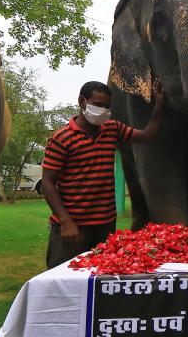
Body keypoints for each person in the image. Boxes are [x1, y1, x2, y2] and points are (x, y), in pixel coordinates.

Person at [42, 81, 164, 269]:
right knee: (63, 279)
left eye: (107, 107)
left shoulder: (112, 129)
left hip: (105, 227)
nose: (104, 111)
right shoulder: (62, 138)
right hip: (72, 228)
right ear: (82, 102)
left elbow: (147, 136)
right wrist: (66, 222)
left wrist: (159, 106)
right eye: (98, 105)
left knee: (101, 280)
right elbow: (48, 183)